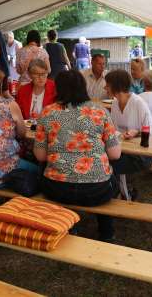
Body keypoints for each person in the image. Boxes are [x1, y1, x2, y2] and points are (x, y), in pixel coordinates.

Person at [34, 70, 121, 242]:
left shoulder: (47, 112)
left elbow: (40, 156)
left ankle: (67, 227)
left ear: (58, 88)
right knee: (111, 174)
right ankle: (106, 231)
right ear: (83, 87)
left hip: (56, 188)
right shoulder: (100, 111)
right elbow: (115, 154)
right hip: (97, 191)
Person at [104, 69, 152, 200]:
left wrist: (136, 131)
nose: (105, 88)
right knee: (106, 160)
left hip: (142, 155)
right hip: (123, 150)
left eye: (107, 85)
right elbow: (114, 129)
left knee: (110, 165)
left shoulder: (138, 102)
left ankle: (121, 193)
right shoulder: (115, 103)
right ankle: (122, 191)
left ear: (116, 86)